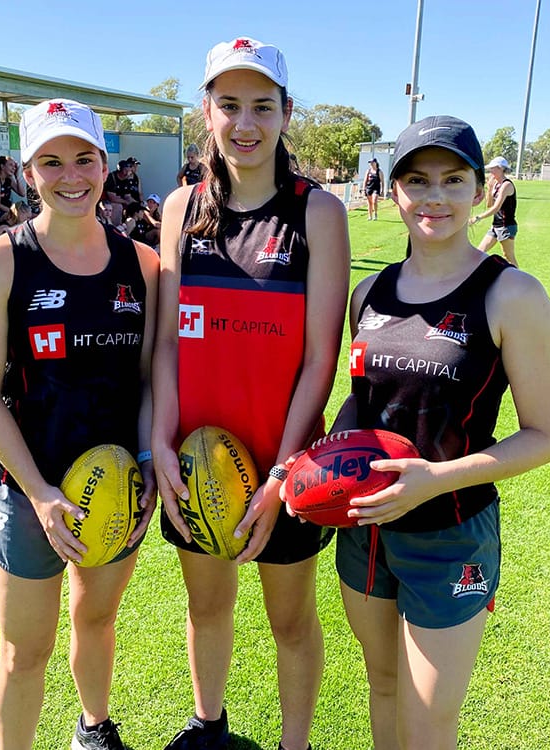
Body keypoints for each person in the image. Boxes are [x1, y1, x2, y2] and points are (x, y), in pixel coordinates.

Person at [324, 115, 550, 750]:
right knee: (381, 687)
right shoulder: (368, 292)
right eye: (417, 180)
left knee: (429, 720)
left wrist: (435, 480)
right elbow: (361, 406)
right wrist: (308, 468)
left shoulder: (512, 294)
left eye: (454, 180)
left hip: (452, 530)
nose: (435, 196)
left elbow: (545, 435)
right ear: (393, 190)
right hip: (368, 527)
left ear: (482, 189)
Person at [151, 36, 350, 750]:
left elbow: (320, 358)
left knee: (290, 622)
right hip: (197, 462)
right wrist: (160, 445)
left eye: (262, 106)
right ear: (207, 111)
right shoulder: (181, 208)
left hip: (284, 466)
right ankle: (210, 729)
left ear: (286, 114)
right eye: (229, 105)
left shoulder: (317, 212)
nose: (245, 123)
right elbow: (168, 343)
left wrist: (280, 473)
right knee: (206, 609)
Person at [0, 97, 159, 750]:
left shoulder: (145, 266)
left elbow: (153, 380)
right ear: (26, 171)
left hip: (115, 484)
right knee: (25, 650)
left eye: (83, 159)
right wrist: (41, 494)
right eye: (51, 161)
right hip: (27, 490)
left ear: (104, 165)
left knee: (96, 620)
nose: (70, 175)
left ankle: (94, 731)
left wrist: (149, 468)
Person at [469, 155, 519, 266]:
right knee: (479, 252)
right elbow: (489, 205)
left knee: (509, 257)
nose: (490, 171)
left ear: (501, 168)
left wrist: (477, 218)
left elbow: (496, 208)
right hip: (496, 226)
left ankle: (519, 282)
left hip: (506, 226)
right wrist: (490, 189)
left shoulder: (506, 185)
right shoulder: (496, 185)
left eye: (493, 168)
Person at [0, 155, 25, 226]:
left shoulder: (9, 179)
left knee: (29, 214)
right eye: (10, 165)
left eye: (15, 166)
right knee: (16, 218)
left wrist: (17, 177)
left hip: (8, 208)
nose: (14, 168)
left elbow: (22, 193)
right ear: (2, 166)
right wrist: (13, 212)